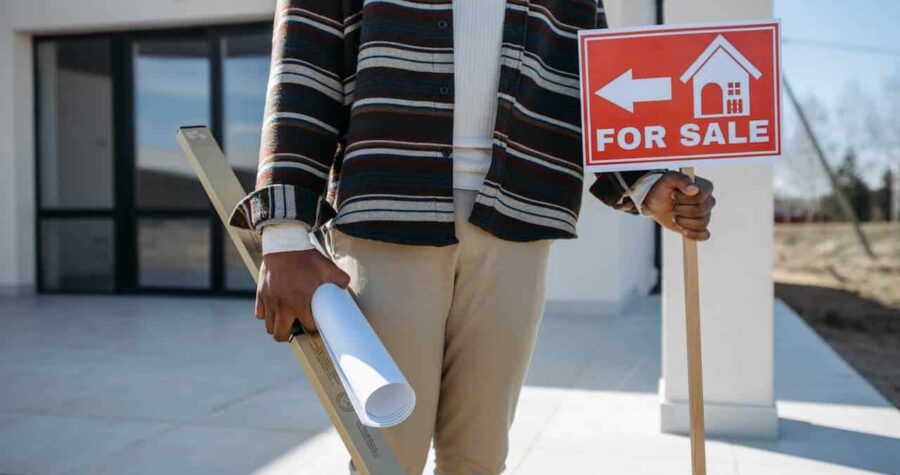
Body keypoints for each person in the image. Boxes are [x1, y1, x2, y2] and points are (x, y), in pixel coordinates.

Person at [229, 1, 716, 473]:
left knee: (480, 457)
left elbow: (594, 69)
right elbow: (306, 53)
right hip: (388, 209)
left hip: (518, 216)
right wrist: (284, 232)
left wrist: (644, 181)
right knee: (385, 456)